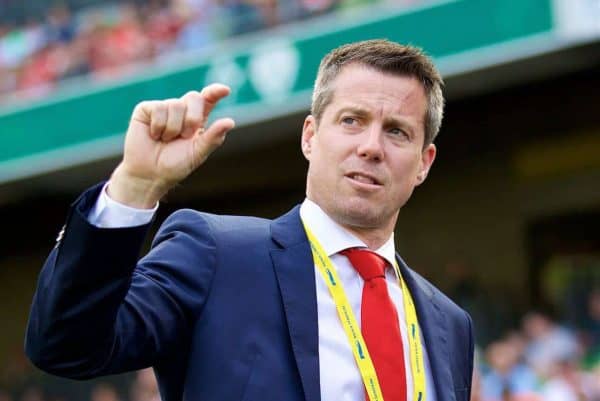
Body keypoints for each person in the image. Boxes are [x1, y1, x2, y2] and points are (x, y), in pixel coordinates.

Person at [25, 39, 474, 401]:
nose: (372, 147)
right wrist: (134, 188)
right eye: (352, 121)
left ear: (424, 162)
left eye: (397, 131)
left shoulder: (450, 324)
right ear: (311, 138)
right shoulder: (216, 255)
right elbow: (66, 346)